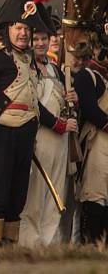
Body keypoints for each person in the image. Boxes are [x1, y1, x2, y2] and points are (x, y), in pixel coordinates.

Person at [0, 0, 64, 244]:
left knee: (18, 197)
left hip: (25, 136)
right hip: (1, 134)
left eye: (26, 28)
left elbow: (33, 102)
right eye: (17, 27)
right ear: (8, 29)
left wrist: (55, 122)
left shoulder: (31, 61)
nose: (23, 33)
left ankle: (10, 249)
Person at [19, 6, 77, 246]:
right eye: (37, 38)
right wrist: (58, 124)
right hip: (40, 137)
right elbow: (34, 105)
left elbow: (60, 103)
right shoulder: (26, 67)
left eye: (45, 38)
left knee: (56, 197)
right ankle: (29, 244)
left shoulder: (55, 69)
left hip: (61, 141)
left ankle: (50, 245)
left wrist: (72, 99)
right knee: (35, 195)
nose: (41, 43)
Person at [71, 47, 108, 243]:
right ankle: (90, 246)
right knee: (95, 195)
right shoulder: (87, 76)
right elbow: (90, 109)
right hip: (97, 142)